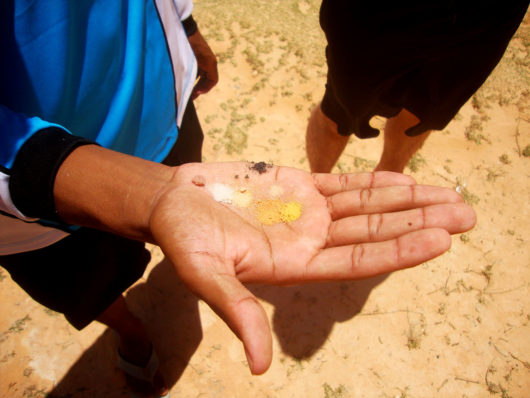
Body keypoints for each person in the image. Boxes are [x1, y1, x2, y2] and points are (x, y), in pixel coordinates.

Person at [0, 1, 476, 397]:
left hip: (157, 101)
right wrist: (151, 195)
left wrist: (185, 25)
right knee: (84, 281)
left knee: (188, 213)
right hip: (31, 204)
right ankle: (130, 329)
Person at [306, 1, 529, 173]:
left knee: (422, 115)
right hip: (376, 11)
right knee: (339, 111)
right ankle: (317, 184)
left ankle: (388, 178)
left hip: (483, 17)